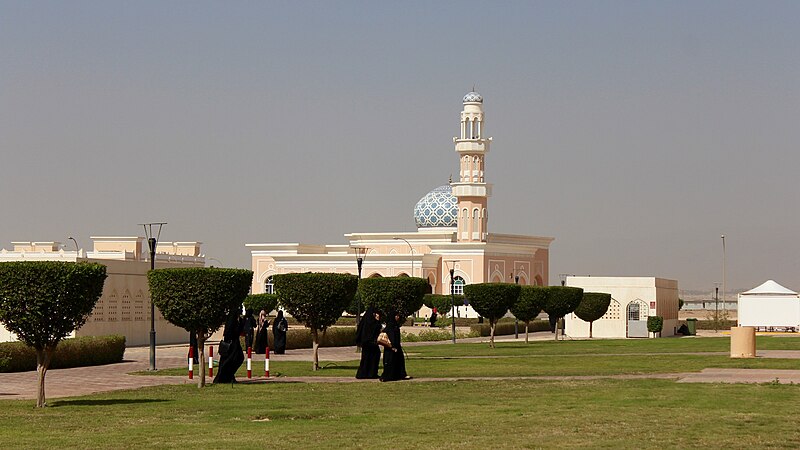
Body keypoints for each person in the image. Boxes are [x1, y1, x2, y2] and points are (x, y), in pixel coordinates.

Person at [213, 311, 245, 384]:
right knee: (230, 361)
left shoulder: (236, 319)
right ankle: (225, 378)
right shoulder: (231, 320)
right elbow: (231, 332)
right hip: (231, 344)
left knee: (236, 359)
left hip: (234, 343)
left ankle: (229, 376)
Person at [380, 310, 408, 382]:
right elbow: (392, 336)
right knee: (390, 362)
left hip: (396, 347)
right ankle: (388, 376)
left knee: (398, 361)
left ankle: (398, 375)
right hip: (391, 347)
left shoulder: (394, 325)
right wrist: (393, 346)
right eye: (396, 316)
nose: (397, 317)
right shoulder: (391, 326)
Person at [355, 307, 383, 379]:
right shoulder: (371, 322)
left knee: (368, 358)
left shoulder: (367, 321)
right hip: (370, 343)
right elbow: (374, 330)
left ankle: (368, 373)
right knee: (371, 358)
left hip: (368, 343)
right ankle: (370, 373)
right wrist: (377, 321)